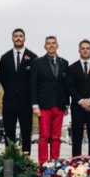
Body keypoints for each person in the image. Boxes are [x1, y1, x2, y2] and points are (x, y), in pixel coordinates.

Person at [30, 36, 69, 165]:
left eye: (53, 43)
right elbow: (33, 85)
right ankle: (43, 165)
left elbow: (66, 85)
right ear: (45, 46)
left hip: (59, 104)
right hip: (43, 105)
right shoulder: (37, 62)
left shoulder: (64, 62)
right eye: (48, 44)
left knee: (56, 137)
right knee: (44, 136)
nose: (51, 45)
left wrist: (67, 104)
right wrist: (35, 105)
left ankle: (55, 163)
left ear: (57, 46)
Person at [0, 29, 38, 153]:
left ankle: (26, 162)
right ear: (12, 39)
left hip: (26, 101)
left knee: (26, 133)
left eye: (21, 36)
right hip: (9, 101)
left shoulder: (33, 57)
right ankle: (9, 162)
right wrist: (11, 90)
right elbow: (2, 78)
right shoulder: (5, 57)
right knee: (9, 134)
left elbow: (35, 80)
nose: (18, 38)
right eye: (16, 36)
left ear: (24, 39)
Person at [66, 39, 90, 157]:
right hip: (77, 107)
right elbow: (69, 86)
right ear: (79, 51)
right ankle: (75, 163)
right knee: (76, 137)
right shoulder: (72, 68)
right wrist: (81, 101)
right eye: (83, 48)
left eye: (87, 48)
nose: (85, 50)